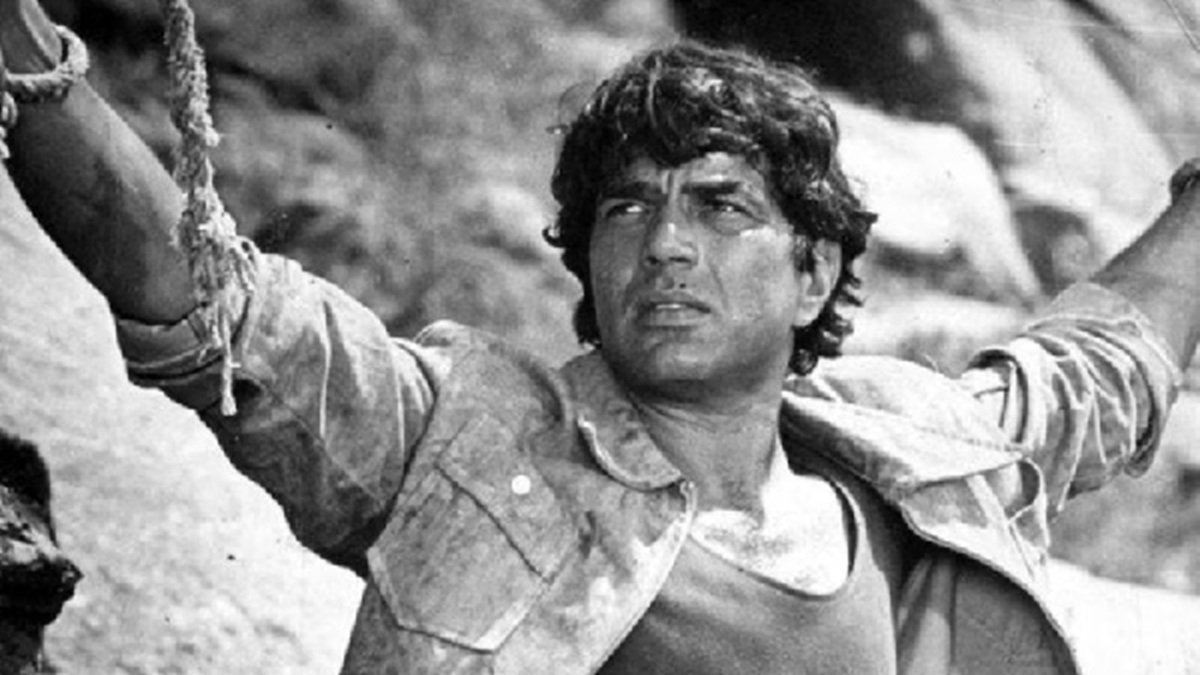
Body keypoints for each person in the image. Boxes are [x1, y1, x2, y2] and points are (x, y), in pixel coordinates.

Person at [1, 1, 1196, 672]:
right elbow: (209, 296)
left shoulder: (921, 452)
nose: (665, 243)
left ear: (815, 270)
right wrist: (24, 63)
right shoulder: (467, 442)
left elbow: (1099, 366)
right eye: (627, 208)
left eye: (721, 206)